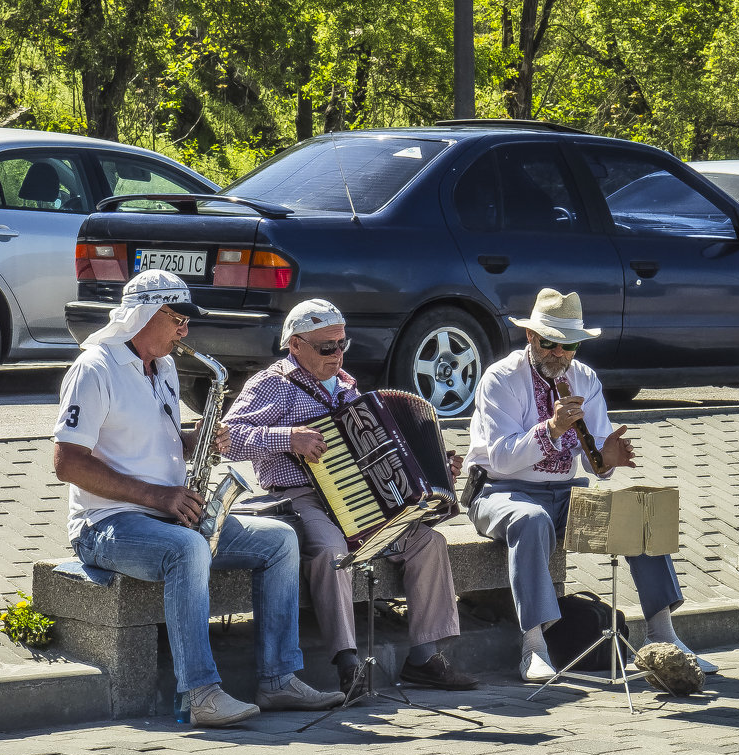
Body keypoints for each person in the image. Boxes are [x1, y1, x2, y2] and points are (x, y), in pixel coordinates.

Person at [53, 270, 344, 728]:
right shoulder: (94, 368)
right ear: (145, 315)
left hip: (165, 514)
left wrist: (198, 441)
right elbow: (67, 462)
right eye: (178, 319)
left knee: (280, 540)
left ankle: (278, 679)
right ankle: (200, 693)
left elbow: (150, 441)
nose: (185, 331)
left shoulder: (164, 366)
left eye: (187, 321)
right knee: (188, 548)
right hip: (106, 524)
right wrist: (158, 495)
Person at [222, 298, 478, 695]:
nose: (337, 354)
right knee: (330, 551)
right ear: (295, 345)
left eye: (342, 344)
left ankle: (424, 657)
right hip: (301, 494)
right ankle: (348, 664)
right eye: (327, 347)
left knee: (428, 541)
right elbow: (228, 437)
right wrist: (287, 438)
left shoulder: (347, 385)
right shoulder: (271, 383)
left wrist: (436, 468)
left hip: (363, 496)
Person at [464, 288, 720, 682]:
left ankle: (664, 636)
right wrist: (551, 429)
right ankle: (533, 647)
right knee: (530, 520)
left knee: (638, 514)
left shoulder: (585, 379)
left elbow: (594, 459)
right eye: (550, 343)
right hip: (500, 492)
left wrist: (607, 461)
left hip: (565, 492)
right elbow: (500, 458)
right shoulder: (501, 378)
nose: (559, 355)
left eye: (570, 346)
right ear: (531, 337)